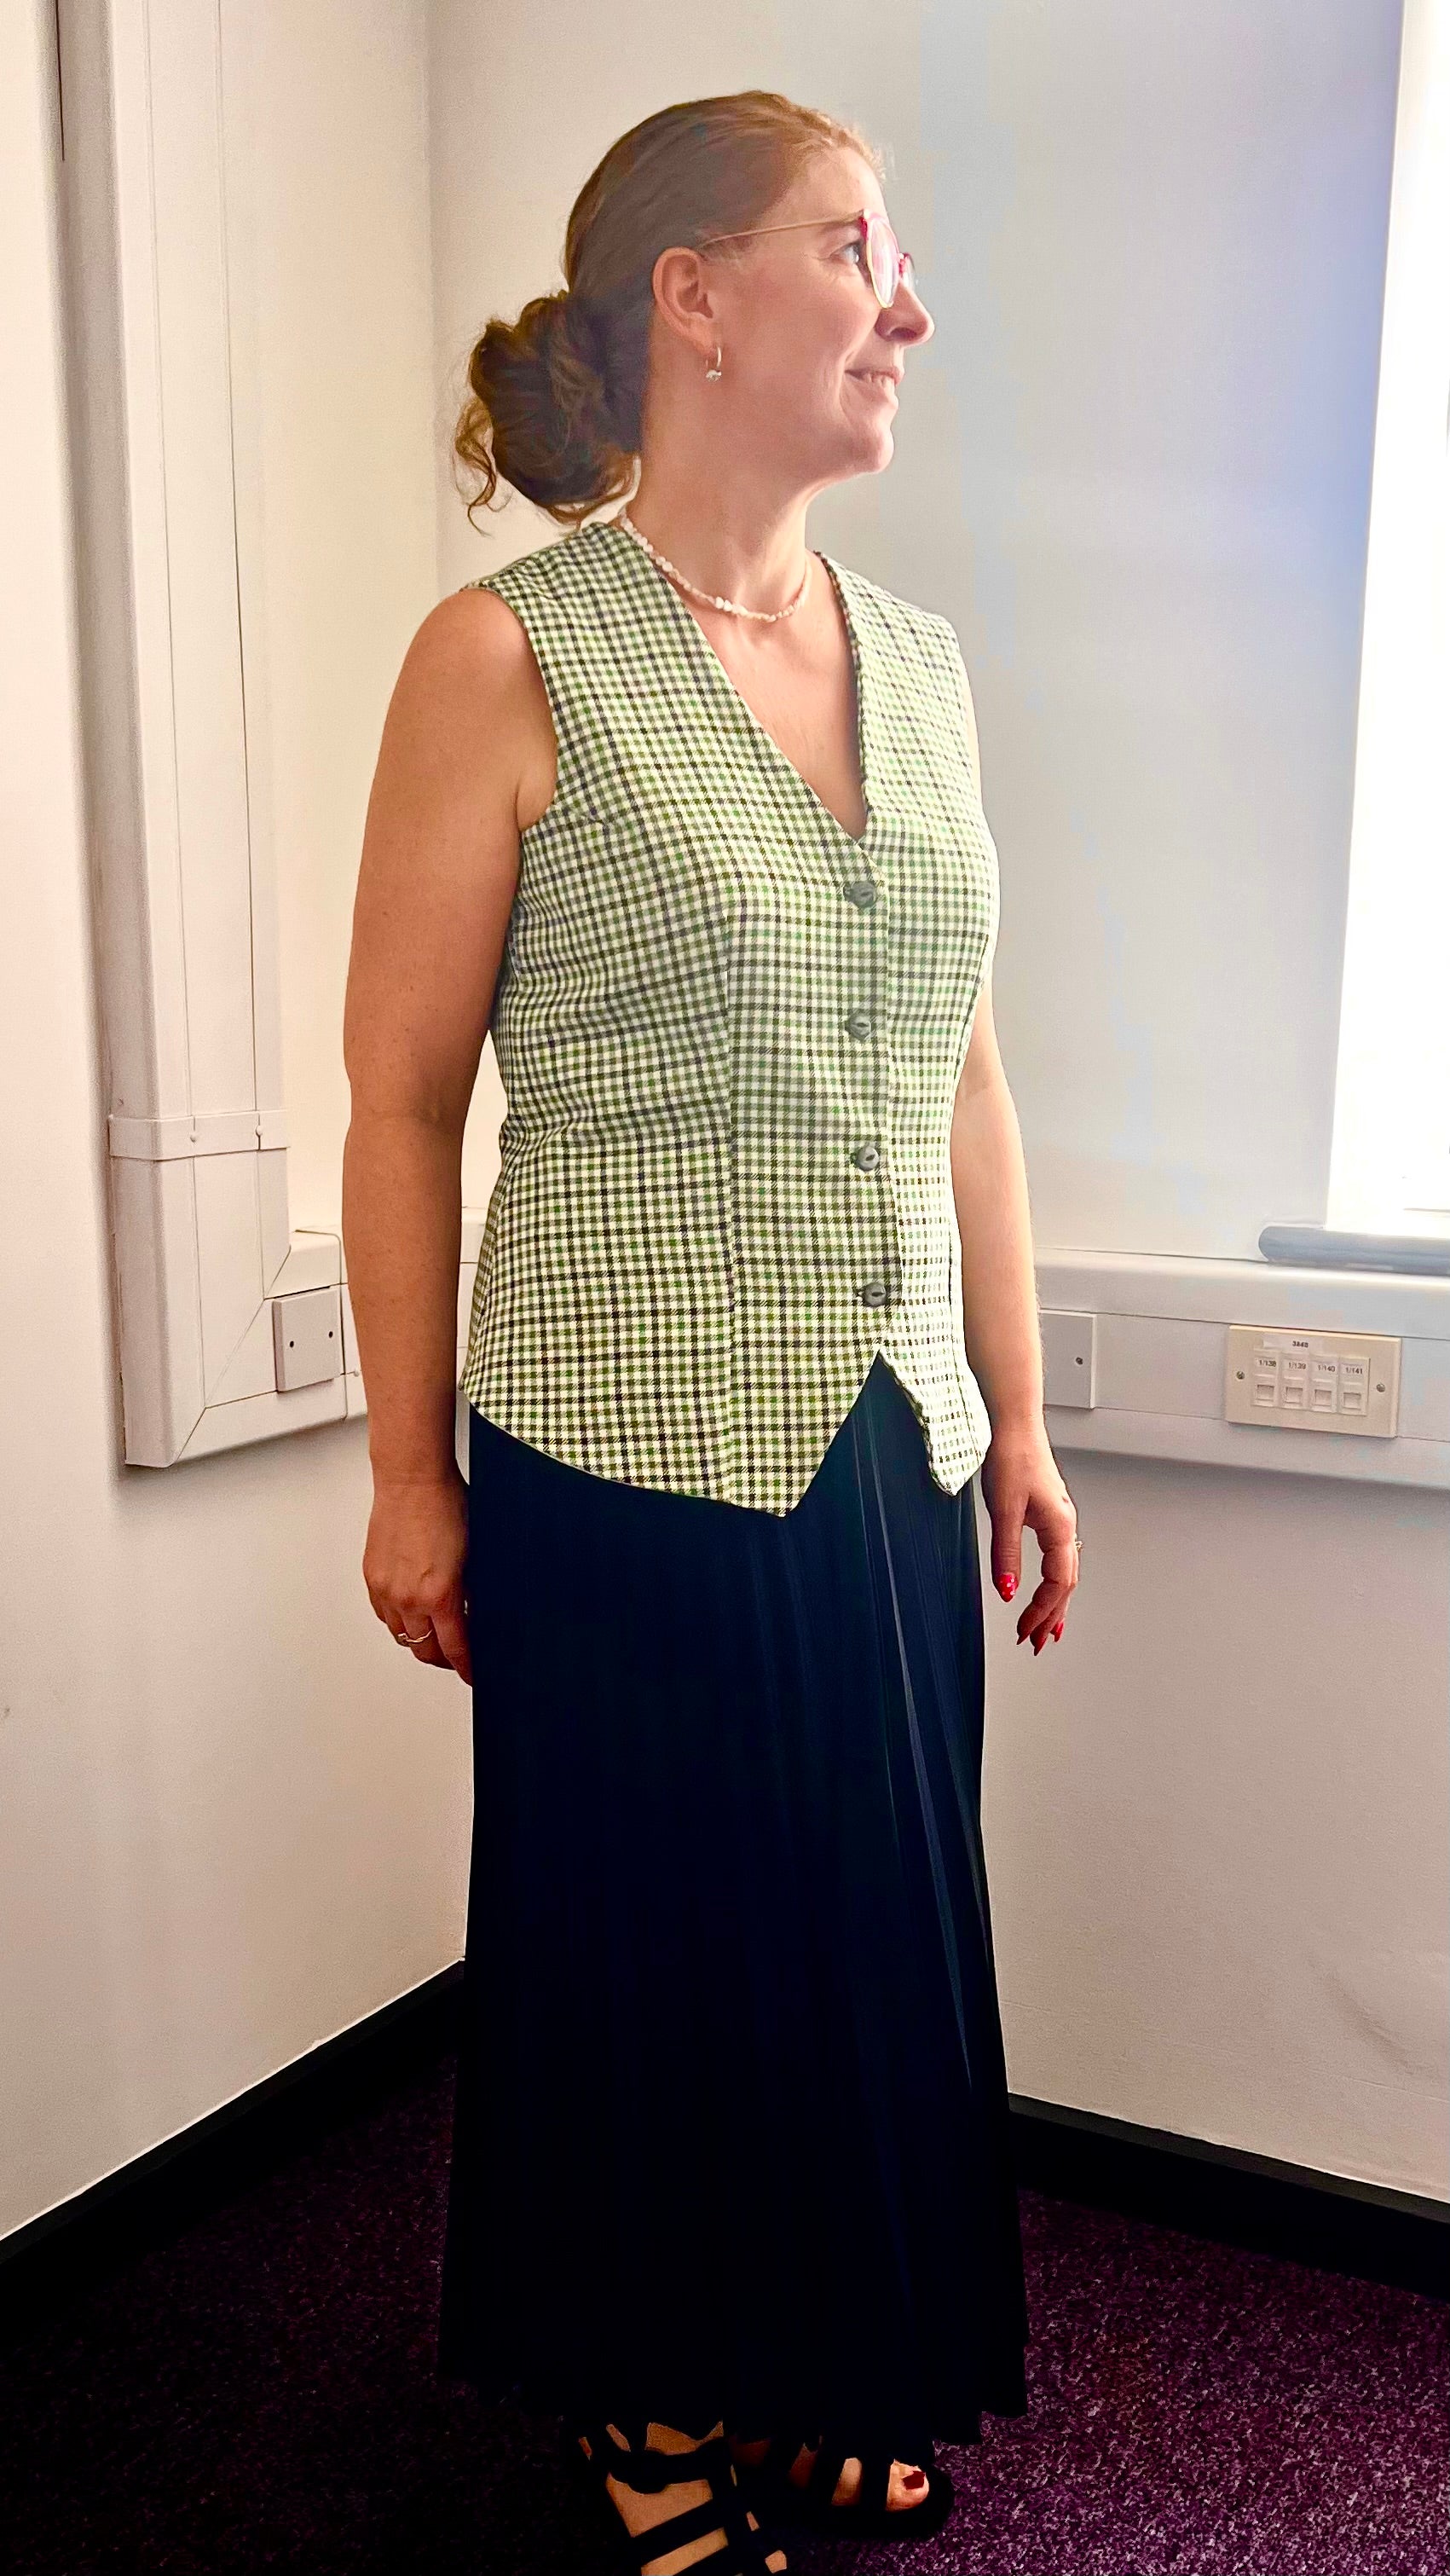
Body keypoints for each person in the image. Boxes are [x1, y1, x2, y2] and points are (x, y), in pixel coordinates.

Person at [342, 86, 1080, 2576]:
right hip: (614, 1454)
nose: (907, 302)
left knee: (860, 1941)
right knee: (641, 1956)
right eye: (856, 245)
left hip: (891, 1440)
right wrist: (409, 1474)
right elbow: (403, 1104)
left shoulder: (927, 670)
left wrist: (1025, 1414)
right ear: (693, 297)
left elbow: (964, 1062)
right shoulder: (503, 654)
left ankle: (804, 2379)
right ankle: (636, 2407)